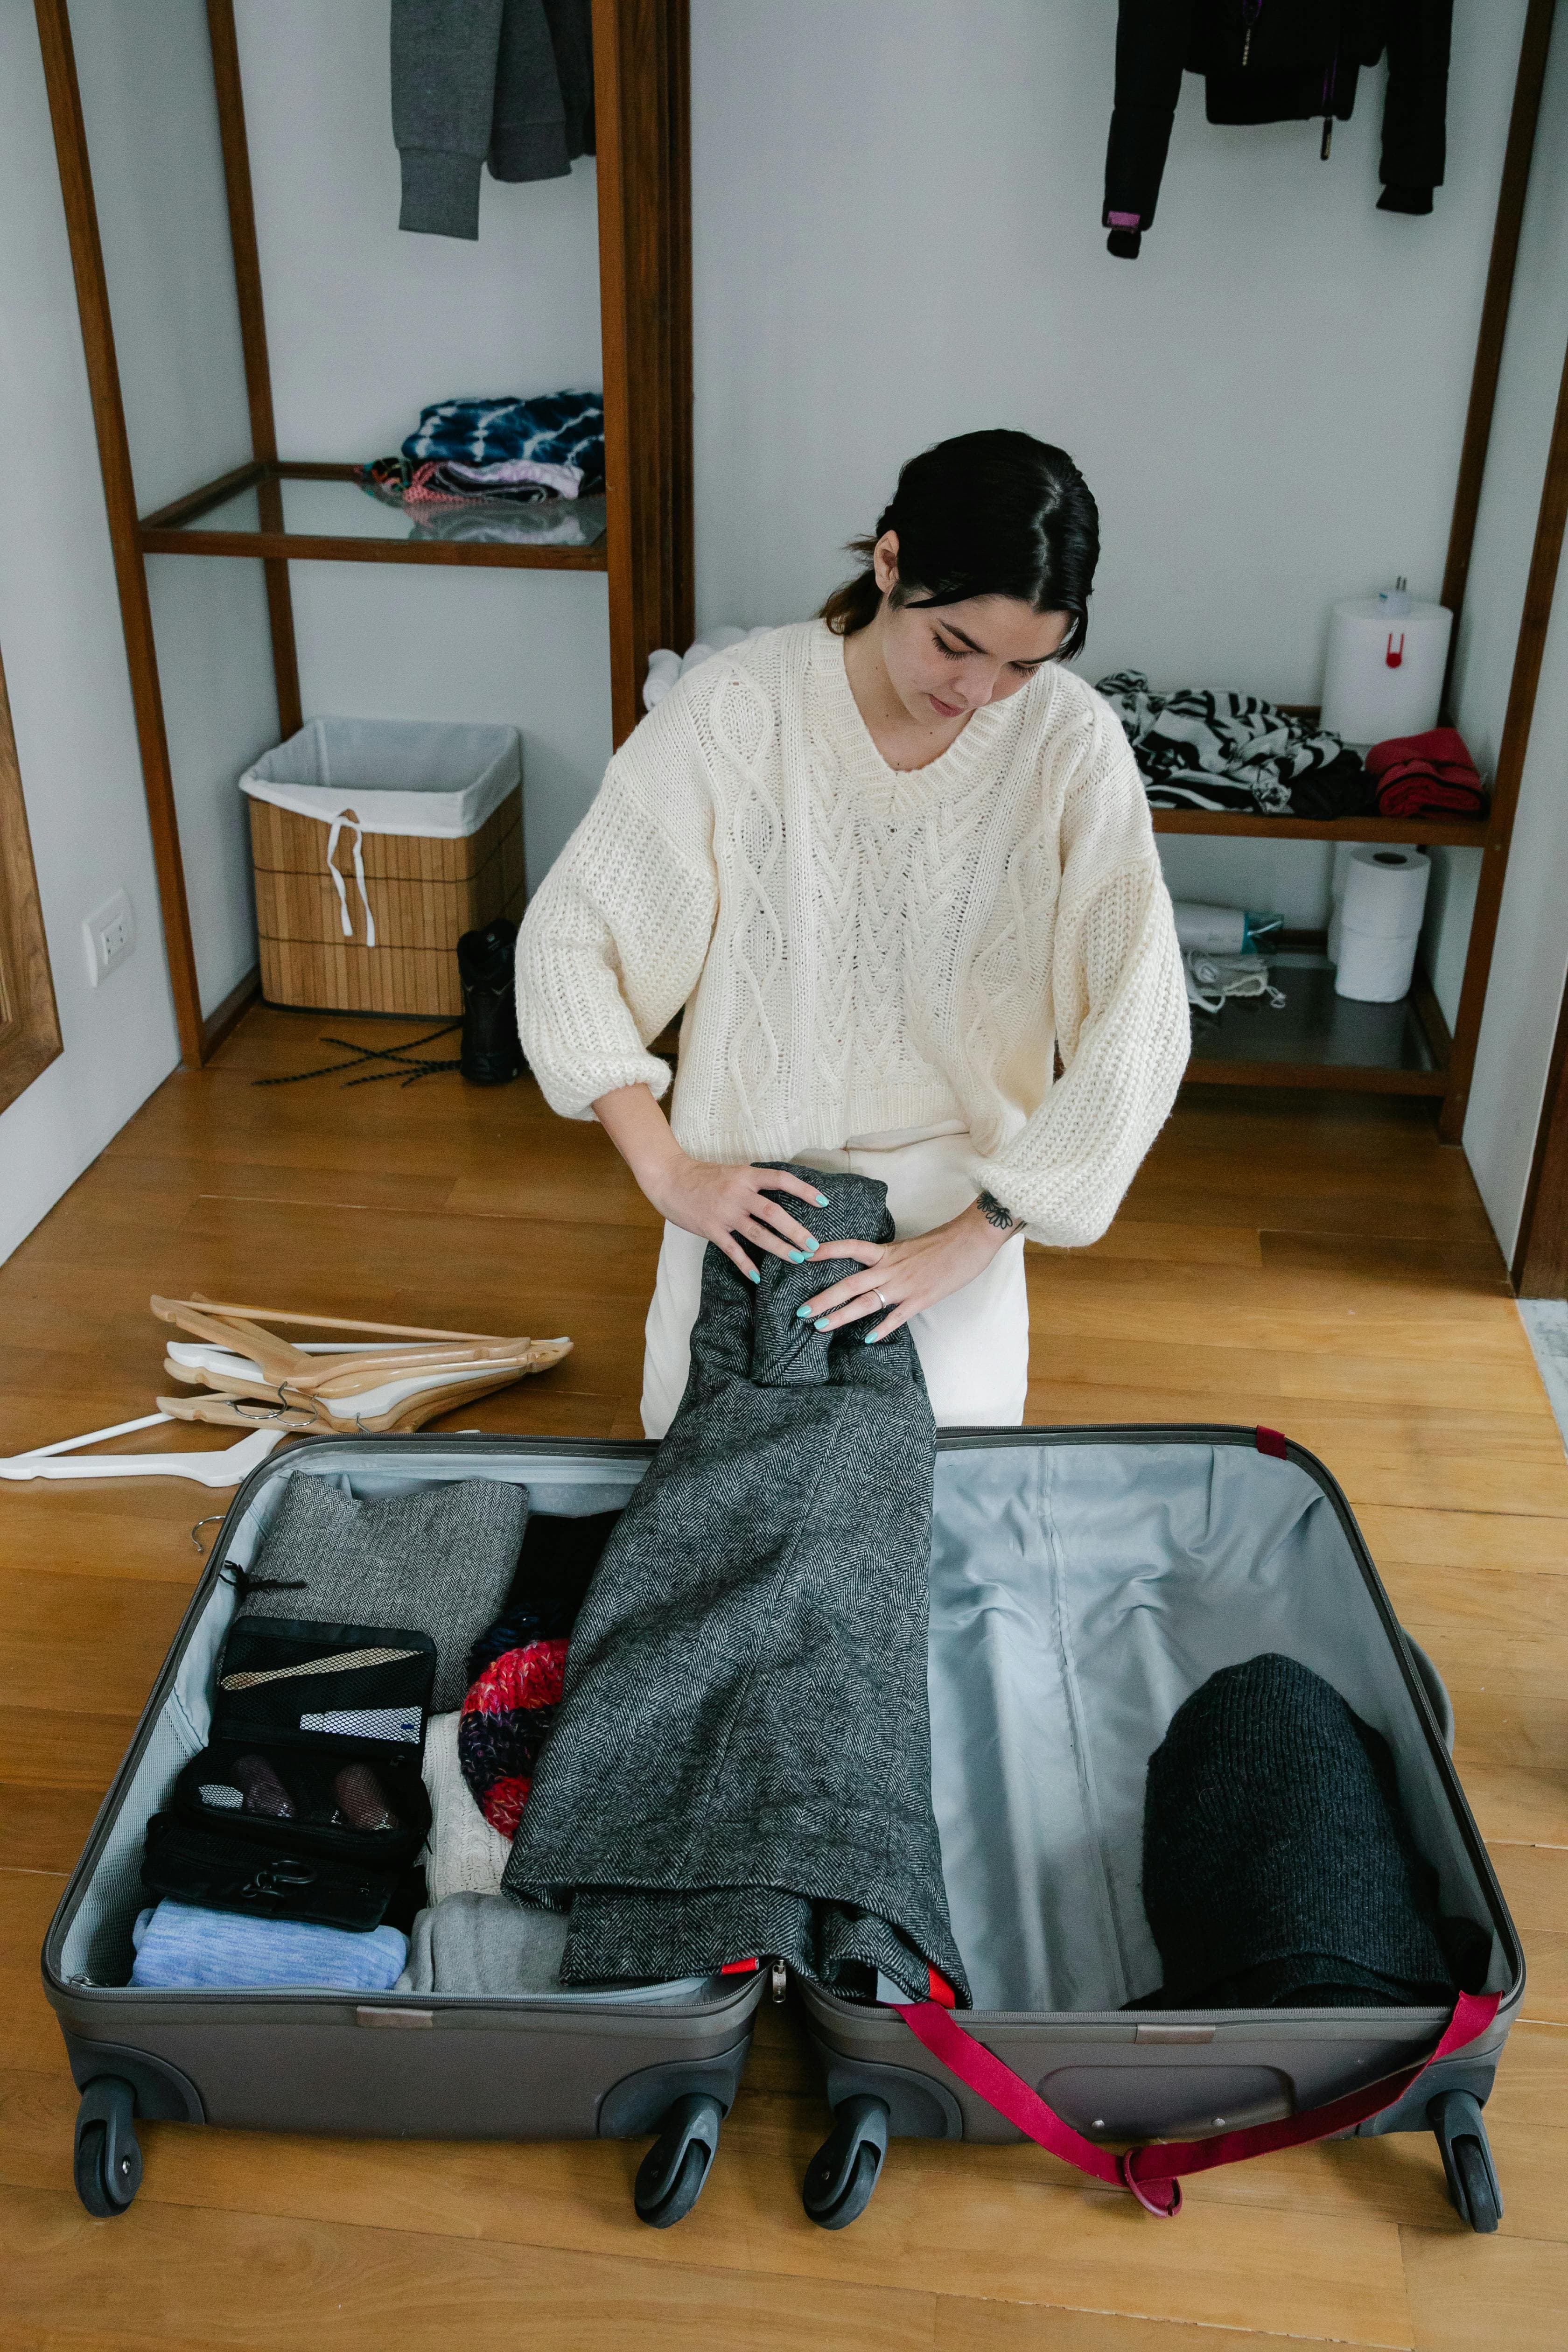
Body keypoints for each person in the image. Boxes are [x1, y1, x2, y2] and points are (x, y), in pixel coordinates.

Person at [517, 429, 1188, 1435]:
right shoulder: (737, 708)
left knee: (946, 1486)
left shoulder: (1069, 739)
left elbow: (1142, 1019)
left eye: (1022, 665)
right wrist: (669, 1172)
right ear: (888, 563)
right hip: (749, 1184)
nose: (977, 693)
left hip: (958, 1194)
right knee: (694, 1475)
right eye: (954, 645)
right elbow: (572, 942)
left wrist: (981, 1233)